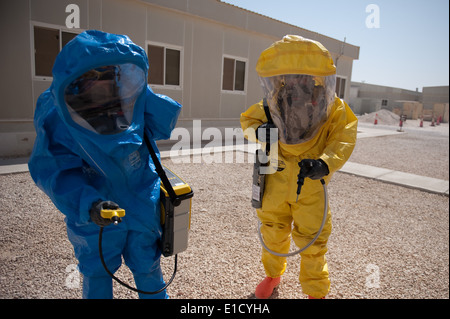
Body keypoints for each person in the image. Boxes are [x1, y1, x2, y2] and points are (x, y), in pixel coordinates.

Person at [28, 30, 182, 299]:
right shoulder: (61, 122)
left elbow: (163, 121)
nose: (105, 91)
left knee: (148, 268)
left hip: (141, 204)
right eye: (95, 83)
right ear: (78, 86)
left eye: (110, 80)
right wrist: (89, 204)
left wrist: (137, 95)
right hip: (97, 218)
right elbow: (57, 173)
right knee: (97, 273)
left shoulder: (132, 105)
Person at [240, 35, 358, 299]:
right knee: (272, 233)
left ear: (315, 76)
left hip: (311, 184)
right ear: (281, 77)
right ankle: (272, 276)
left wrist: (325, 163)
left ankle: (315, 292)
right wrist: (260, 131)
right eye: (291, 75)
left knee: (313, 242)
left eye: (302, 75)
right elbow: (247, 122)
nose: (297, 81)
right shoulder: (272, 103)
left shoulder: (332, 107)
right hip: (275, 179)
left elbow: (344, 135)